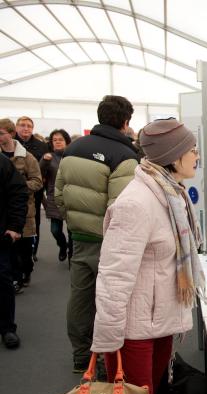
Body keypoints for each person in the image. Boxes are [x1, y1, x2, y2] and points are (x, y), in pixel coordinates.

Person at [91, 118, 205, 394]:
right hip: (132, 331)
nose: (196, 155)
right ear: (172, 155)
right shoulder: (137, 203)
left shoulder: (169, 192)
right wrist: (109, 340)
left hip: (156, 322)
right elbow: (113, 276)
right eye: (191, 149)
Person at [55, 95, 139, 374]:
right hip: (108, 243)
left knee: (79, 297)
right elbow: (121, 207)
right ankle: (105, 361)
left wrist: (74, 222)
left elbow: (58, 193)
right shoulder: (125, 155)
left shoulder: (74, 148)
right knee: (110, 301)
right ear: (126, 122)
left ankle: (81, 356)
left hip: (79, 237)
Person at [0, 119, 42, 292]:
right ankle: (14, 280)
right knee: (9, 252)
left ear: (10, 134)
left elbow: (38, 182)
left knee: (23, 250)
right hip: (4, 213)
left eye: (1, 133)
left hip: (25, 209)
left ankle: (27, 270)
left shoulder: (27, 157)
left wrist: (17, 186)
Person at [0, 152, 29, 349]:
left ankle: (7, 328)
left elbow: (18, 192)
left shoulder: (2, 162)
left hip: (0, 234)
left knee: (2, 280)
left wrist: (15, 226)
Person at [14, 116, 48, 262]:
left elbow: (46, 168)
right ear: (16, 128)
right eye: (22, 125)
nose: (26, 128)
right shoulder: (10, 144)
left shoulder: (41, 146)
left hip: (34, 190)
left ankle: (32, 250)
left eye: (29, 126)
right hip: (13, 192)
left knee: (34, 221)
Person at [40, 129, 73, 262]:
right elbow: (39, 173)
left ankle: (71, 253)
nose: (58, 142)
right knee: (55, 230)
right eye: (55, 140)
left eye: (60, 139)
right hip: (54, 198)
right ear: (51, 143)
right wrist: (44, 161)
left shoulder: (72, 156)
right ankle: (62, 246)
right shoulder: (48, 157)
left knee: (72, 231)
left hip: (71, 197)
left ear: (66, 142)